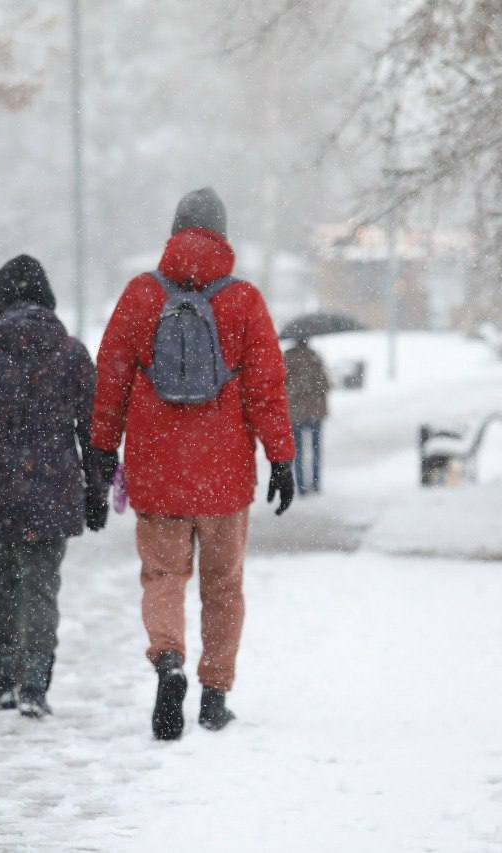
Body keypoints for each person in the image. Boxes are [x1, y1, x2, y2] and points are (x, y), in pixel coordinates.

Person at [88, 187, 296, 741]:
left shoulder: (141, 295)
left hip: (156, 469)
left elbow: (109, 379)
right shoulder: (244, 300)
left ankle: (169, 662)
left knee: (163, 577)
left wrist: (101, 452)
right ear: (222, 235)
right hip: (225, 473)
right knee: (223, 586)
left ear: (175, 229)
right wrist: (281, 458)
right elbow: (267, 389)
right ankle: (214, 694)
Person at [0, 254, 108, 720]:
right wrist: (96, 493)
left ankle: (4, 679)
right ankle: (35, 682)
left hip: (0, 493)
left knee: (3, 585)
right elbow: (95, 431)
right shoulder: (72, 353)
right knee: (41, 588)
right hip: (55, 492)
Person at [283, 337, 331, 495]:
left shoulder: (287, 359)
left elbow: (280, 384)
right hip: (314, 411)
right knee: (316, 449)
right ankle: (316, 484)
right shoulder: (314, 358)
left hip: (295, 412)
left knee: (297, 451)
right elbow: (325, 384)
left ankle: (302, 486)